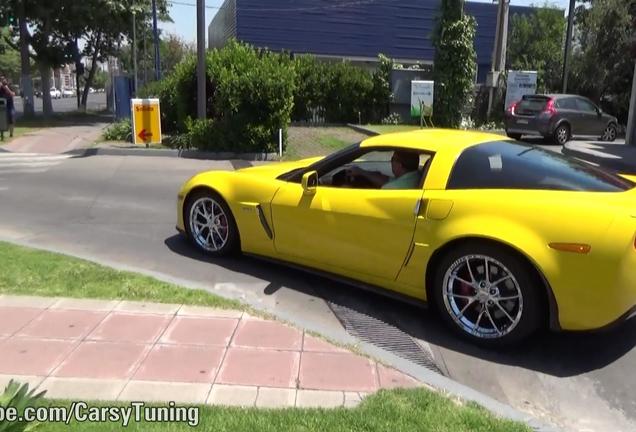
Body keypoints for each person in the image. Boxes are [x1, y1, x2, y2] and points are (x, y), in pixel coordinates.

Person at [346, 150, 421, 189]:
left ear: (399, 165)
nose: (391, 162)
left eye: (392, 159)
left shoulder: (391, 188)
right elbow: (387, 180)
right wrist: (362, 172)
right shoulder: (416, 176)